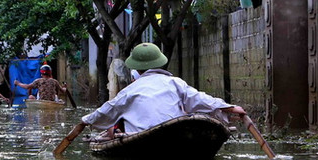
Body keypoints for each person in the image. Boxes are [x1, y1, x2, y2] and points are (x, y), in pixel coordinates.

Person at [78, 42, 246, 136]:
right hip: (175, 133)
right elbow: (199, 99)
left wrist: (87, 120)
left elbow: (108, 109)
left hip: (144, 137)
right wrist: (228, 107)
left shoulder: (129, 90)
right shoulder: (175, 82)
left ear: (136, 70)